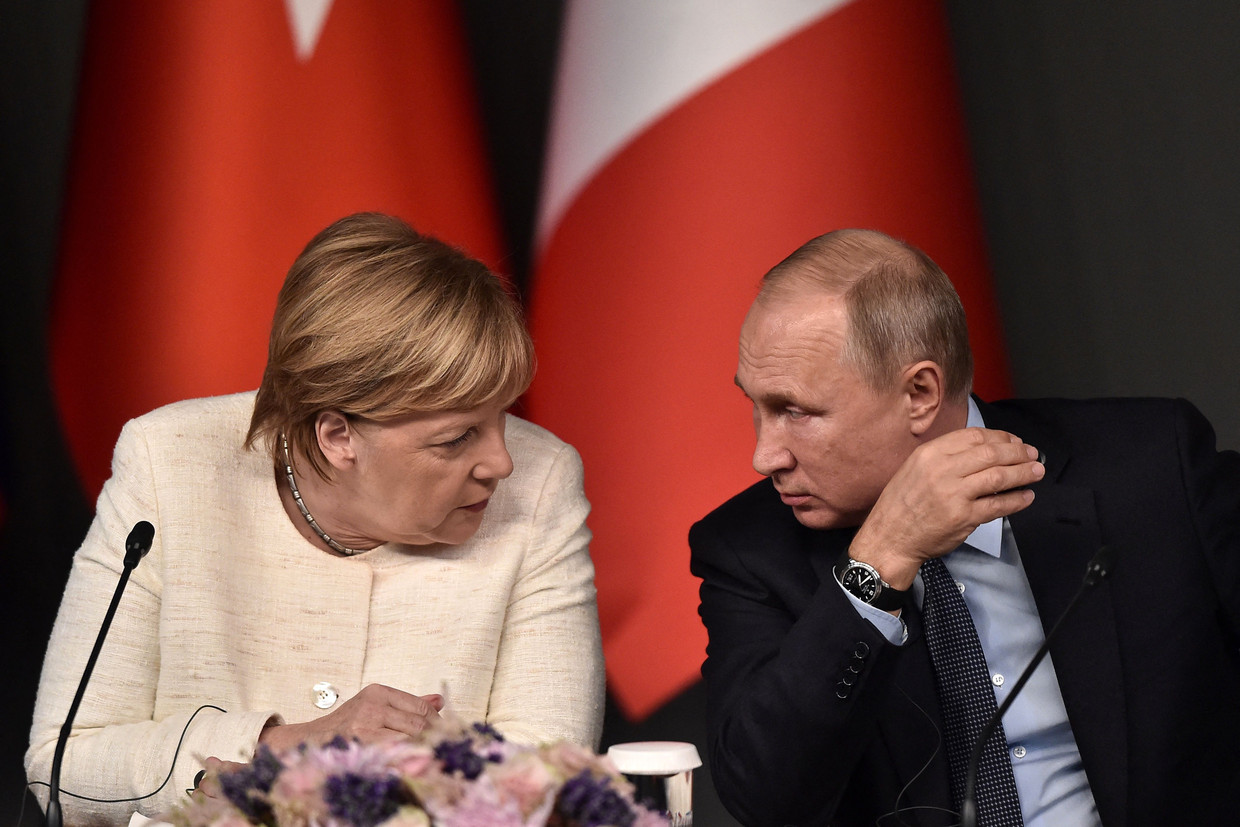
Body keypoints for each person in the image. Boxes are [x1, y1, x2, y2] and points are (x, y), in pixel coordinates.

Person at [26, 213, 605, 823]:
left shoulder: (545, 483)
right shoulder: (170, 462)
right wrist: (289, 745)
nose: (503, 462)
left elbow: (545, 779)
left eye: (502, 418)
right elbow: (64, 764)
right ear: (337, 435)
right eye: (457, 438)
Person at [689, 229, 1240, 826]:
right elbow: (765, 800)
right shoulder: (747, 549)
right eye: (757, 406)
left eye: (795, 411)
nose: (765, 455)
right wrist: (878, 560)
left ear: (920, 393)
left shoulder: (1154, 467)